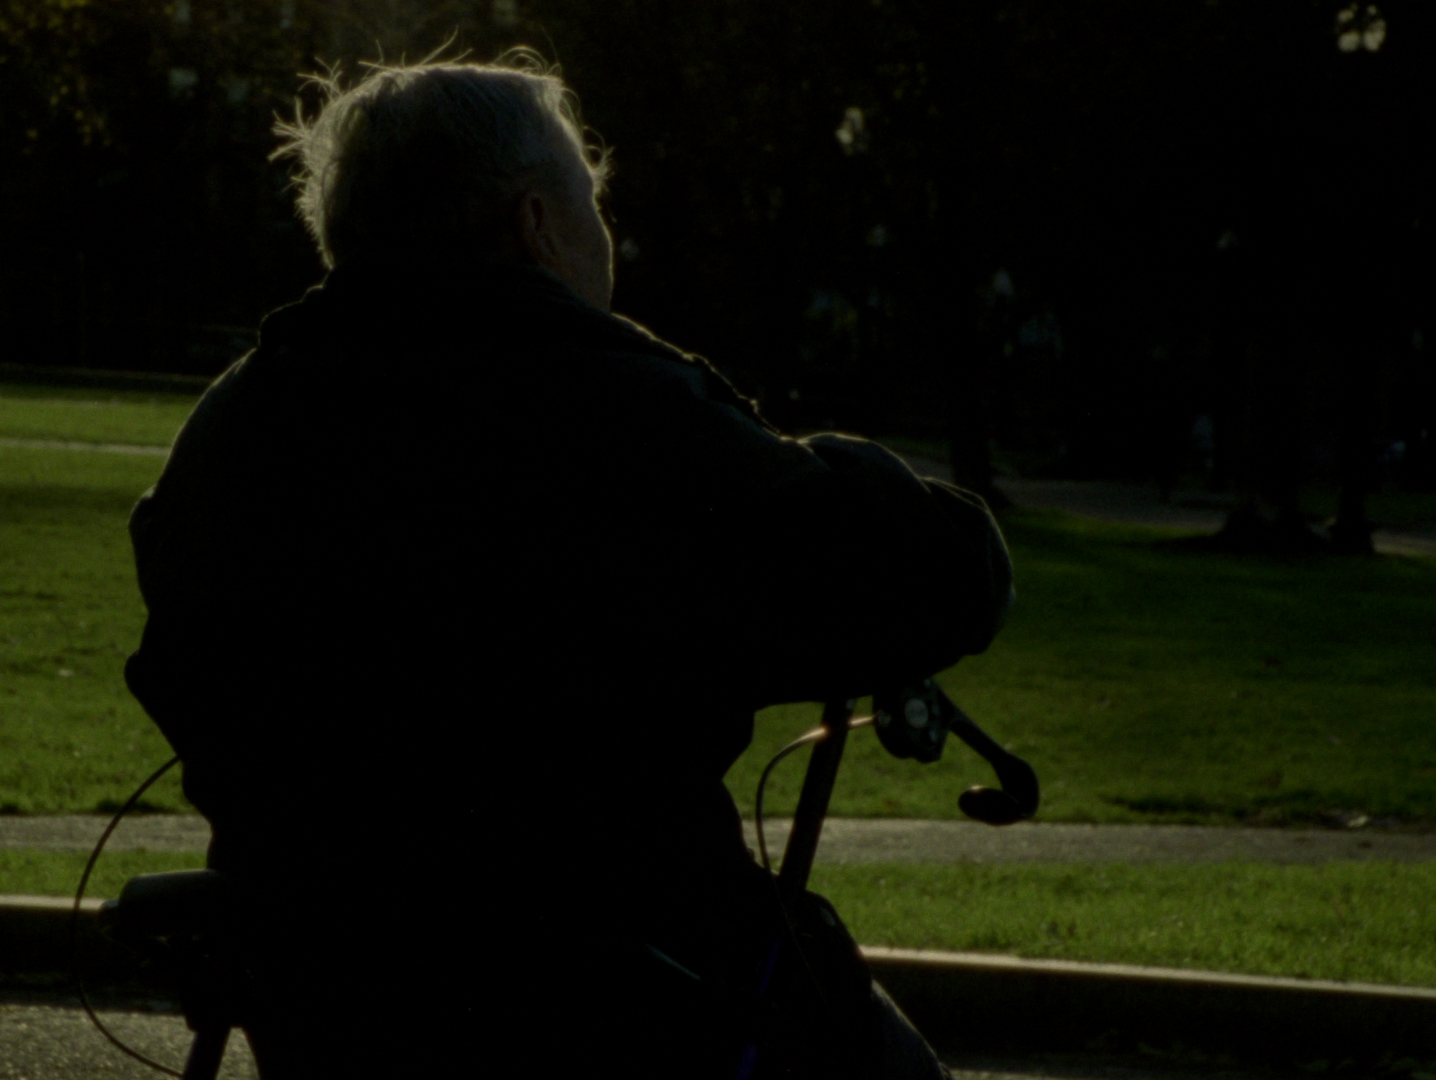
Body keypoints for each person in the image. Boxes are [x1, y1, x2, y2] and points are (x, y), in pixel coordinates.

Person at [124, 54, 1014, 1078]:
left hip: (319, 986)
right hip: (610, 983)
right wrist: (833, 465)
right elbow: (934, 575)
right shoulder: (615, 408)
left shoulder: (236, 420)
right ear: (536, 223)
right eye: (595, 205)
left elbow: (175, 667)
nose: (609, 238)